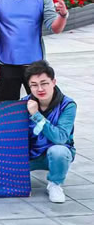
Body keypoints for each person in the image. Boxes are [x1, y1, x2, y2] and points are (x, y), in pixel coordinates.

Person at [26, 61, 76, 204]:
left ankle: (55, 184)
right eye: (34, 85)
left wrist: (36, 115)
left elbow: (60, 138)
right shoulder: (23, 104)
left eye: (44, 83)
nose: (40, 89)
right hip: (30, 155)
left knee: (59, 151)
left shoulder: (68, 105)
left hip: (54, 154)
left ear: (53, 82)